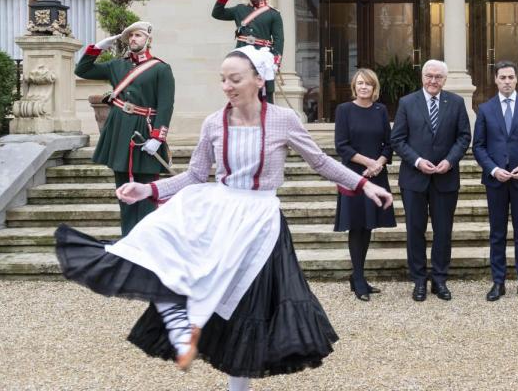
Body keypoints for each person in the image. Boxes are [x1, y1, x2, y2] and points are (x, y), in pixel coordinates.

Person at [55, 47, 393, 391]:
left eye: (235, 79)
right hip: (222, 216)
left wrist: (364, 185)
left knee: (248, 306)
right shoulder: (214, 123)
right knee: (196, 280)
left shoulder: (283, 120)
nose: (227, 86)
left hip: (262, 224)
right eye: (223, 79)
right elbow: (195, 174)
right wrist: (149, 190)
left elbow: (320, 161)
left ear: (258, 80)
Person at [75, 21, 175, 236]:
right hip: (119, 131)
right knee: (123, 192)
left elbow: (166, 105)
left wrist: (157, 137)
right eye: (130, 36)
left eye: (138, 35)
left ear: (148, 40)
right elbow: (82, 70)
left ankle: (147, 240)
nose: (133, 39)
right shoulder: (117, 65)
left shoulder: (161, 68)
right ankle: (128, 239)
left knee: (147, 191)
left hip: (144, 132)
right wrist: (97, 48)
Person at [390, 59, 472, 302]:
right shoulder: (407, 103)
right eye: (429, 76)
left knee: (443, 232)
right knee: (415, 231)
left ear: (444, 80)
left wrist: (450, 161)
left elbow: (464, 137)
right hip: (414, 179)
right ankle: (419, 280)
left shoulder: (456, 102)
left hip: (445, 178)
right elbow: (397, 139)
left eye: (438, 77)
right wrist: (417, 161)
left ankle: (439, 279)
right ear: (422, 77)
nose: (433, 81)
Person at [472, 60, 518, 302]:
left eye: (511, 77)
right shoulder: (485, 109)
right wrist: (493, 169)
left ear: (516, 79)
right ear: (495, 79)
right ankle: (498, 282)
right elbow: (478, 146)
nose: (507, 81)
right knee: (497, 233)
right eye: (502, 77)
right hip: (495, 181)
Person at [334, 68, 397, 301]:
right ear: (354, 86)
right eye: (360, 83)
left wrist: (378, 163)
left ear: (374, 88)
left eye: (368, 84)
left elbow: (389, 144)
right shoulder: (344, 110)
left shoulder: (381, 111)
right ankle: (359, 278)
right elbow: (342, 146)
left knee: (368, 225)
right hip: (353, 175)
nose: (363, 87)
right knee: (356, 225)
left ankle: (358, 276)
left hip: (376, 176)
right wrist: (368, 163)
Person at [213, 0, 284, 103]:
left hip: (263, 56)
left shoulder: (273, 13)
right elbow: (217, 14)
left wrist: (275, 61)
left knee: (265, 92)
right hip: (243, 55)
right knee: (239, 86)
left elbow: (279, 39)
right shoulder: (239, 9)